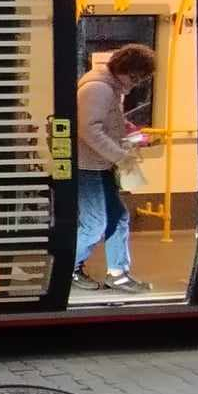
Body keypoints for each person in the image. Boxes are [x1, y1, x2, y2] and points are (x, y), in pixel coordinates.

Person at [72, 44, 156, 293]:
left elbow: (102, 121)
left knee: (118, 218)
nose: (136, 83)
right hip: (88, 167)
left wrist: (125, 128)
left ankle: (118, 274)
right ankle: (68, 267)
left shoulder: (108, 87)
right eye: (136, 77)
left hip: (99, 165)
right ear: (125, 70)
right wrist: (121, 156)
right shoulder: (98, 88)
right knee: (94, 225)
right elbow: (88, 129)